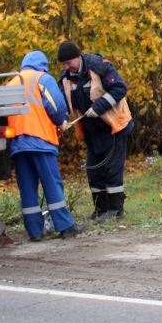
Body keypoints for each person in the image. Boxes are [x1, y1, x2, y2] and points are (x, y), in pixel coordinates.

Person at [7, 51, 86, 240]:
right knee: (52, 183)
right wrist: (62, 121)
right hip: (40, 140)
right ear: (42, 65)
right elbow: (57, 107)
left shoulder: (12, 82)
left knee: (27, 188)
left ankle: (35, 232)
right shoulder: (42, 78)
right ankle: (65, 226)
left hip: (18, 143)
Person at [57, 41, 134, 220]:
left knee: (112, 170)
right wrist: (61, 119)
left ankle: (115, 211)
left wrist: (98, 107)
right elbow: (62, 99)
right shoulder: (66, 77)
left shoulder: (99, 66)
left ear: (78, 57)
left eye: (69, 63)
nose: (67, 67)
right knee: (93, 170)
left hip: (112, 127)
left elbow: (119, 88)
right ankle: (100, 210)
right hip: (91, 131)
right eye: (64, 64)